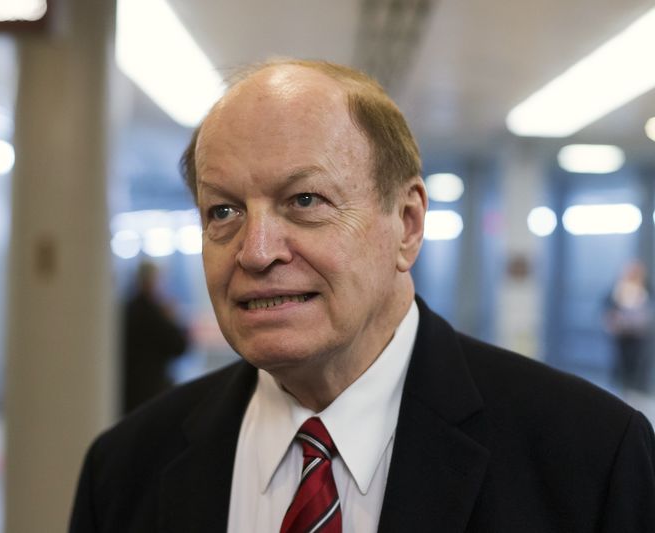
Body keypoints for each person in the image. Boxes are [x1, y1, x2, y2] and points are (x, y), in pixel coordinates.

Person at [70, 59, 655, 532]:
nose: (256, 250)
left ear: (406, 225)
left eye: (304, 201)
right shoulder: (123, 471)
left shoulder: (590, 460)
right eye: (223, 211)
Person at [120, 261, 188, 413]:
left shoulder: (126, 309)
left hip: (128, 389)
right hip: (151, 389)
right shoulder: (155, 313)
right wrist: (172, 319)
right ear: (152, 281)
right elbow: (180, 346)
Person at [605, 260, 654, 394]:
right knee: (622, 369)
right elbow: (607, 311)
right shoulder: (616, 290)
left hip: (639, 338)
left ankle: (635, 392)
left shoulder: (647, 290)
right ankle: (622, 391)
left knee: (638, 368)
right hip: (622, 337)